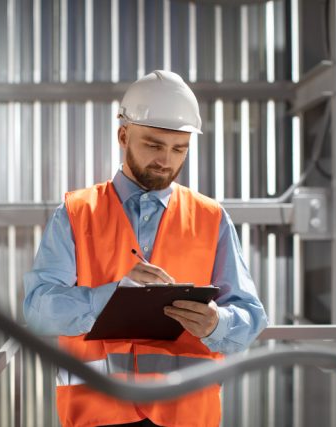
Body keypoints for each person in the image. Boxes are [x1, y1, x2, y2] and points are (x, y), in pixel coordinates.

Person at [23, 70, 268, 427]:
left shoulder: (211, 218)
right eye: (154, 145)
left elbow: (251, 317)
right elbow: (37, 310)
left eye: (178, 149)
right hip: (97, 414)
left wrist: (217, 323)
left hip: (187, 415)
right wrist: (111, 298)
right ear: (123, 135)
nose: (166, 161)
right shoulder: (77, 213)